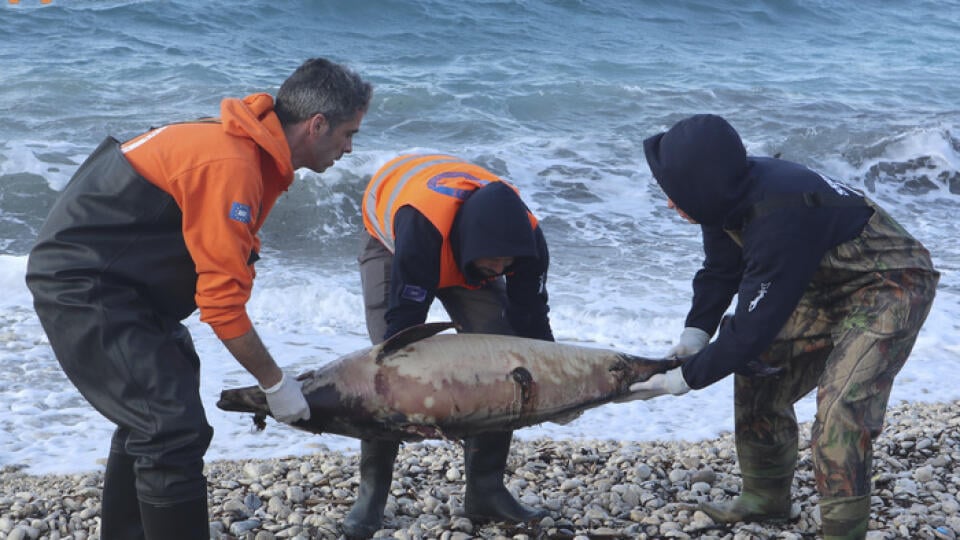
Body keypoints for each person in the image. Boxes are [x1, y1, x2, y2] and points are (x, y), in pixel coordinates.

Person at [25, 58, 372, 539]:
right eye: (348, 134)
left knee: (159, 404)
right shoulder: (232, 163)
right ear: (317, 125)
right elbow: (221, 306)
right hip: (86, 281)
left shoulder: (250, 151)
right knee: (170, 428)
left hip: (129, 283)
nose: (350, 148)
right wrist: (275, 384)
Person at [628, 114, 939, 540]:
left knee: (841, 408)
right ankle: (765, 498)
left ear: (701, 186)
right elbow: (721, 271)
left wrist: (683, 379)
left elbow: (752, 326)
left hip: (890, 284)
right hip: (816, 281)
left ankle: (843, 532)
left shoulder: (777, 214)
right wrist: (693, 337)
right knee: (760, 368)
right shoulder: (725, 197)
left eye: (675, 193)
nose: (669, 203)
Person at [347, 153, 554, 538]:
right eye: (494, 263)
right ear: (470, 247)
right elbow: (404, 329)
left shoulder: (526, 243)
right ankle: (372, 493)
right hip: (394, 240)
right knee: (391, 368)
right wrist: (426, 406)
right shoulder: (422, 229)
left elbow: (533, 320)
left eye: (507, 265)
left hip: (463, 243)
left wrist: (553, 385)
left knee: (502, 360)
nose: (500, 271)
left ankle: (485, 490)